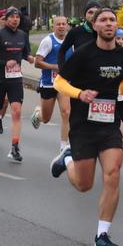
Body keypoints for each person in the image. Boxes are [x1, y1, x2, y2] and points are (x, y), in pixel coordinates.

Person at [50, 8, 123, 246]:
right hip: (83, 126)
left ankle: (102, 234)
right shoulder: (83, 54)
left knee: (112, 173)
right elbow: (59, 81)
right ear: (96, 26)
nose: (109, 24)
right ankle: (67, 159)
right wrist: (80, 94)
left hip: (109, 125)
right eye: (103, 20)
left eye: (112, 20)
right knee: (84, 185)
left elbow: (121, 80)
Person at [0, 7, 35, 162]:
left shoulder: (22, 35)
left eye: (17, 17)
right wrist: (5, 63)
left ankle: (14, 147)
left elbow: (25, 52)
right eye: (12, 17)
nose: (15, 19)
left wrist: (29, 58)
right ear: (6, 19)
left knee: (16, 111)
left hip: (15, 79)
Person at [30, 15, 72, 155]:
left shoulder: (71, 42)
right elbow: (37, 62)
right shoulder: (48, 41)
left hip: (64, 83)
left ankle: (63, 145)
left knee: (66, 112)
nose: (61, 26)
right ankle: (38, 113)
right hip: (48, 83)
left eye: (63, 24)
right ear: (53, 26)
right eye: (58, 24)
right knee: (46, 118)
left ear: (67, 26)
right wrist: (54, 67)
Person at [57, 0, 99, 69]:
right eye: (90, 12)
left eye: (96, 12)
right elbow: (61, 51)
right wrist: (63, 70)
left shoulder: (105, 32)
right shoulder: (75, 32)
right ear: (85, 15)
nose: (93, 15)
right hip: (80, 76)